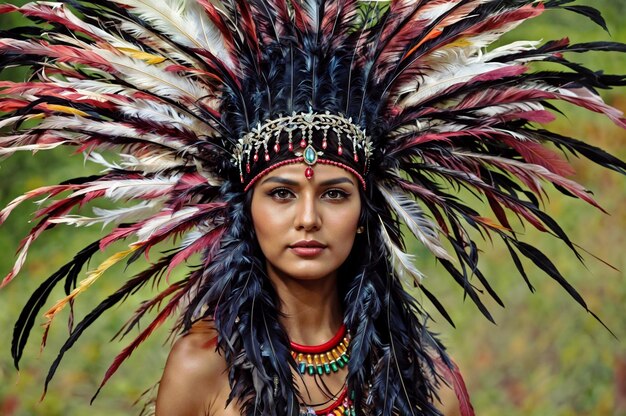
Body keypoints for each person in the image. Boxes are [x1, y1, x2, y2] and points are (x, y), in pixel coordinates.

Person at [0, 0, 624, 415]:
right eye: (280, 193)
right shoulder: (204, 366)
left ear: (365, 210)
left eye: (333, 193)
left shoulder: (413, 368)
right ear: (246, 210)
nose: (307, 218)